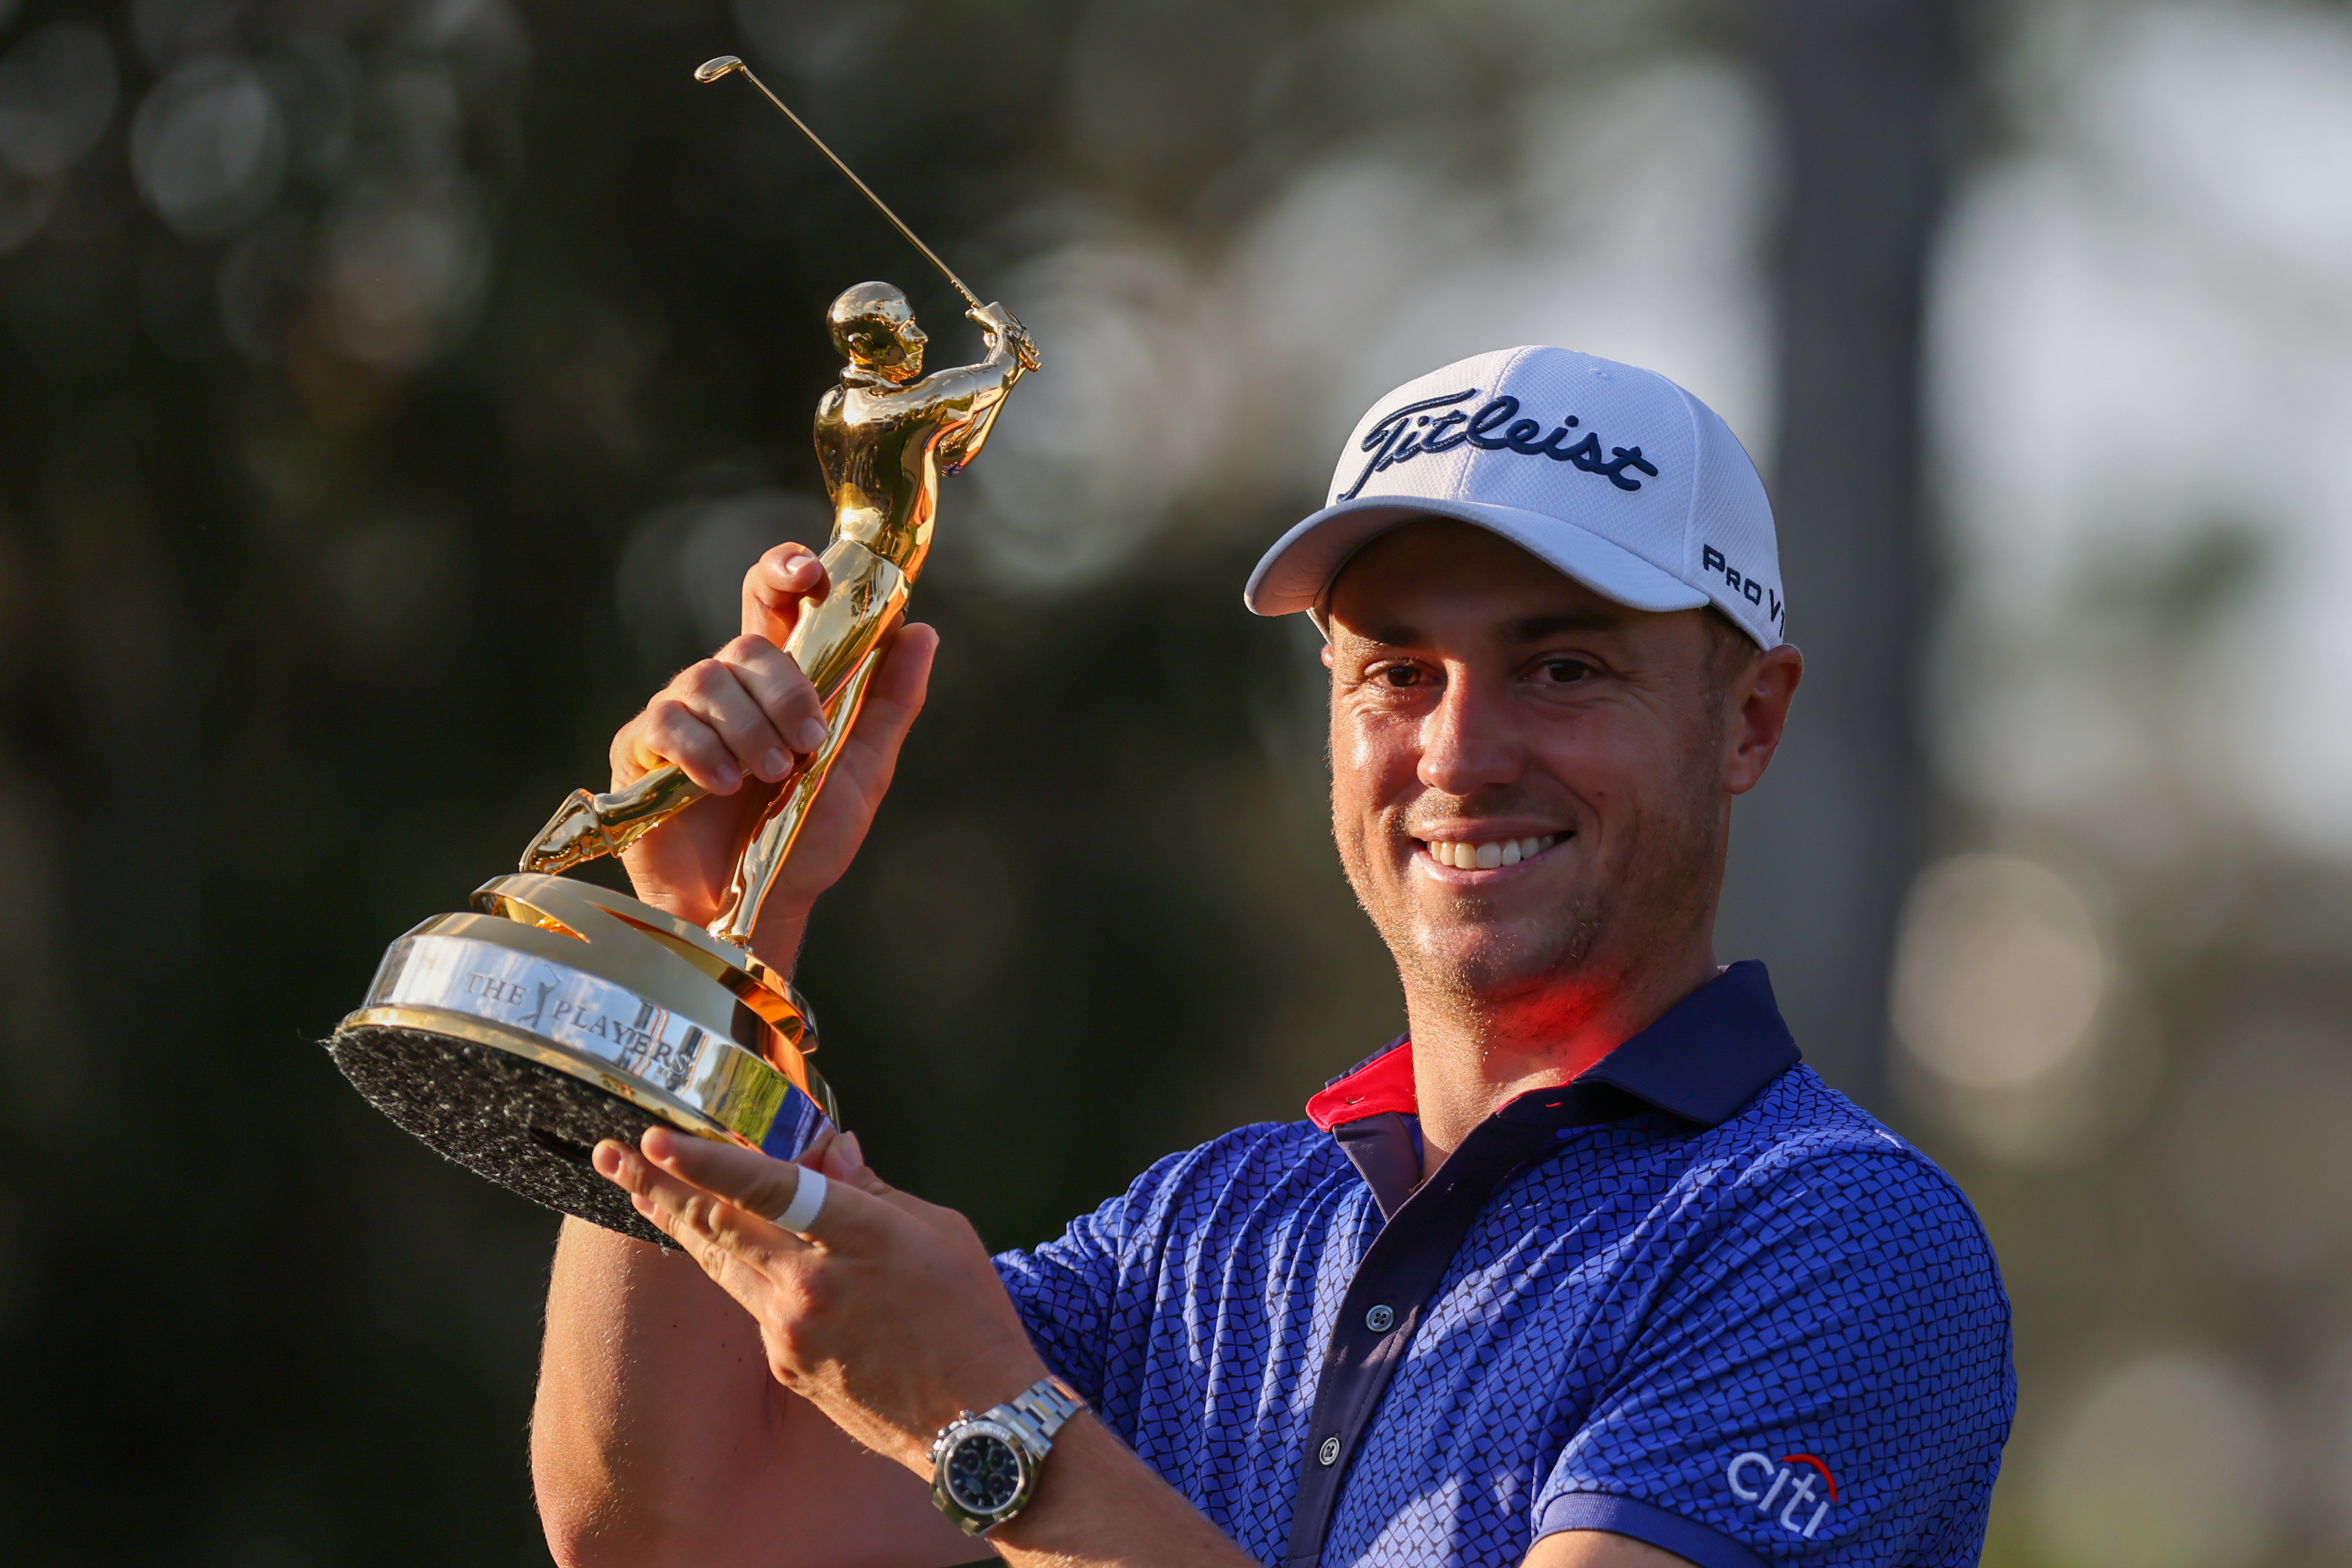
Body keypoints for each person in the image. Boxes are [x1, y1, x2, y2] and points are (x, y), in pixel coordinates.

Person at [530, 345, 2013, 1568]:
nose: (1459, 751)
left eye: (1564, 667)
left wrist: (994, 1422)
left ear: (1749, 717)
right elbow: (660, 1524)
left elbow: (977, 1433)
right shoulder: (1210, 1231)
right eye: (1397, 672)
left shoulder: (1839, 1239)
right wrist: (719, 930)